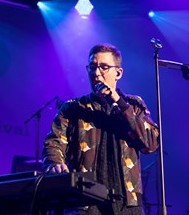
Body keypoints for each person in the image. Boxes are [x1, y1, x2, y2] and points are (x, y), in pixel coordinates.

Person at [42, 43, 159, 215]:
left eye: (104, 67)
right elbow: (54, 141)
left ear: (118, 73)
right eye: (92, 67)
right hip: (85, 199)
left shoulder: (134, 105)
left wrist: (118, 102)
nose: (97, 73)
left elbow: (150, 144)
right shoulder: (74, 108)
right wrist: (55, 163)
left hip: (127, 202)